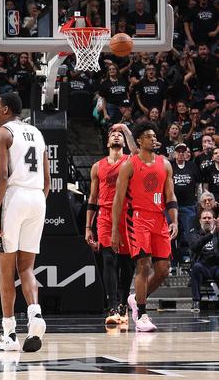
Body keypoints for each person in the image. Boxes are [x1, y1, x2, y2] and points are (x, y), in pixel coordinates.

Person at [0, 92, 49, 353]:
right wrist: (37, 203)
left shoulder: (1, 134)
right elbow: (48, 181)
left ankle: (10, 334)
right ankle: (35, 314)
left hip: (14, 198)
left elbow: (1, 177)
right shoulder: (37, 133)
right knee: (27, 268)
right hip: (38, 198)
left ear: (5, 110)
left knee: (6, 271)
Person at [112, 121, 178, 332]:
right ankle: (141, 314)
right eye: (148, 136)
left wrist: (174, 220)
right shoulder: (129, 165)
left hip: (159, 219)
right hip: (137, 218)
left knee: (163, 270)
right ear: (139, 141)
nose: (152, 138)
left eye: (154, 136)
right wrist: (115, 230)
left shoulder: (165, 164)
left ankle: (136, 299)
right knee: (143, 265)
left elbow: (170, 195)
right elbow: (118, 200)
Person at [85, 125, 137, 326]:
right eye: (113, 134)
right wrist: (88, 227)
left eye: (119, 135)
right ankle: (113, 306)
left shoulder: (130, 160)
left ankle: (123, 303)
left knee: (127, 263)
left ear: (124, 141)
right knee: (109, 259)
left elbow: (136, 151)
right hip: (105, 215)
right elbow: (92, 197)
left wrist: (125, 128)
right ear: (107, 142)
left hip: (128, 214)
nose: (116, 136)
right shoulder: (97, 166)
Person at [188, 209, 219, 312]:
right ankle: (196, 302)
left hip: (216, 267)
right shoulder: (194, 233)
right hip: (202, 267)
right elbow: (195, 246)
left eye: (209, 218)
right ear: (200, 220)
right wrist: (210, 234)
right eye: (204, 218)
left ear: (214, 220)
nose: (207, 220)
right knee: (196, 267)